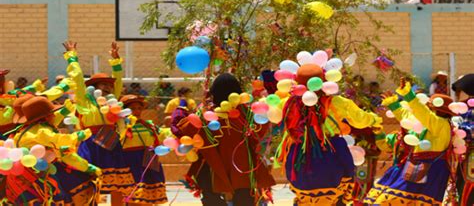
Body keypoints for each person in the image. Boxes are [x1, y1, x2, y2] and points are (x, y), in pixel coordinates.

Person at [275, 64, 383, 205]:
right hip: (331, 153)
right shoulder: (338, 102)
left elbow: (273, 117)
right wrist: (375, 119)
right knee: (337, 196)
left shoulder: (287, 103)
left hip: (300, 155)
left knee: (304, 198)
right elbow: (360, 121)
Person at [173, 73, 276, 205]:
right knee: (244, 195)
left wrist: (180, 111)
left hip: (212, 164)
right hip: (241, 163)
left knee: (211, 197)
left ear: (214, 92)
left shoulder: (205, 112)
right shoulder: (246, 113)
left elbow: (185, 130)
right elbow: (259, 131)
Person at [62, 41, 135, 205]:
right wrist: (72, 56)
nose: (108, 88)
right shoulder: (84, 101)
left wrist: (116, 61)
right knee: (93, 182)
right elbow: (78, 78)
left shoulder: (111, 101)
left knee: (114, 184)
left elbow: (118, 81)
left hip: (111, 144)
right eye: (104, 84)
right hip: (92, 145)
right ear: (94, 87)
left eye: (110, 85)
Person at [365, 79, 453, 205]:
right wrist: (394, 104)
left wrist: (408, 95)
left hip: (429, 167)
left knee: (394, 199)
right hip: (421, 165)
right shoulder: (430, 124)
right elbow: (409, 118)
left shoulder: (441, 123)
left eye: (429, 107)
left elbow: (422, 114)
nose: (427, 108)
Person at [6, 95, 100, 205]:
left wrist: (65, 111)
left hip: (25, 173)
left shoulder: (26, 130)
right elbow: (59, 140)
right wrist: (82, 134)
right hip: (37, 174)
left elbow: (53, 126)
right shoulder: (42, 131)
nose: (54, 116)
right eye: (52, 114)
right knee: (63, 189)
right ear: (47, 117)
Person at [119, 94, 168, 205]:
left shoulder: (149, 125)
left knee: (151, 191)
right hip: (131, 160)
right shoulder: (120, 126)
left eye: (139, 108)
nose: (136, 111)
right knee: (134, 192)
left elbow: (163, 134)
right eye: (132, 109)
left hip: (150, 158)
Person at [451, 74, 474, 206]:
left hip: (469, 156)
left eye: (460, 91)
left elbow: (469, 131)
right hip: (465, 155)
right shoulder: (462, 109)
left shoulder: (467, 110)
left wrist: (456, 130)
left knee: (465, 188)